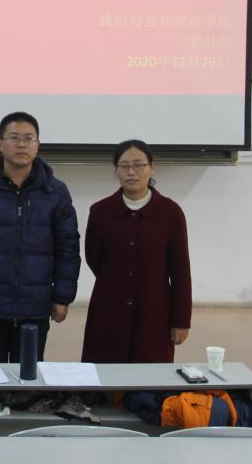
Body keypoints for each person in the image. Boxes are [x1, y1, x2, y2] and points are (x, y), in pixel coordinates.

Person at [0, 112, 81, 363]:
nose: (22, 144)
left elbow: (68, 248)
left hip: (35, 307)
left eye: (29, 138)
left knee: (28, 379)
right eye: (14, 138)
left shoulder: (55, 192)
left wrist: (62, 297)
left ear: (38, 145)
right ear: (0, 144)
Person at [81, 139, 192, 363]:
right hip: (108, 309)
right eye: (124, 166)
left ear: (152, 168)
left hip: (154, 311)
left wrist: (181, 320)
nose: (131, 172)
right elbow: (94, 258)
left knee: (150, 376)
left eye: (139, 165)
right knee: (104, 373)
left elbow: (180, 271)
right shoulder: (100, 212)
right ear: (117, 170)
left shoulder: (170, 213)